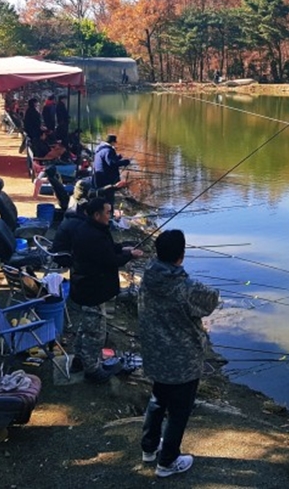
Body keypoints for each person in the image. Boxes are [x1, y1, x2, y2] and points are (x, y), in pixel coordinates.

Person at [139, 229, 219, 478]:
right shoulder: (186, 287)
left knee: (157, 401)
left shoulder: (148, 277)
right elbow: (211, 300)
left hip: (155, 355)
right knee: (179, 412)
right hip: (183, 361)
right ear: (181, 255)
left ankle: (149, 448)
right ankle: (168, 461)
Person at [68, 198, 141, 383]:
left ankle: (79, 360)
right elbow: (110, 260)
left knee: (85, 327)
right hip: (92, 290)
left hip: (85, 287)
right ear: (97, 215)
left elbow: (106, 250)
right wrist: (129, 255)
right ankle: (92, 371)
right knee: (95, 333)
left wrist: (122, 248)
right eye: (108, 212)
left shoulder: (91, 229)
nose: (111, 215)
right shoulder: (93, 235)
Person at [93, 134, 130, 199]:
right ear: (112, 142)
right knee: (108, 196)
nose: (115, 143)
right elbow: (112, 163)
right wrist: (125, 162)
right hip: (106, 178)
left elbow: (107, 160)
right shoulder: (108, 150)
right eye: (115, 142)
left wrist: (118, 157)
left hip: (98, 176)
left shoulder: (100, 148)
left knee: (102, 194)